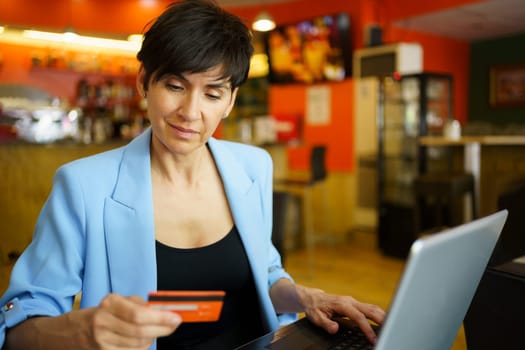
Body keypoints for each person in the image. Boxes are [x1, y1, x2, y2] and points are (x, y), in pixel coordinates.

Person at [0, 1, 385, 349]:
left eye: (212, 94)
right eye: (174, 86)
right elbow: (18, 327)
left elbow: (264, 274)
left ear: (230, 101)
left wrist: (305, 297)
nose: (190, 111)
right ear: (143, 83)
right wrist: (81, 333)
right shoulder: (84, 186)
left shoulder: (252, 167)